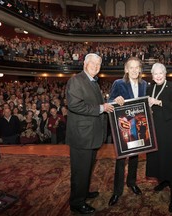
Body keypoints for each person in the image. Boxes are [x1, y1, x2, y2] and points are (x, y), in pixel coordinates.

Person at [66, 53, 114, 214]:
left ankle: (83, 193)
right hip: (82, 136)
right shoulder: (76, 80)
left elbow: (95, 104)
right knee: (80, 170)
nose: (95, 66)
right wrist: (101, 108)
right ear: (85, 64)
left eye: (98, 64)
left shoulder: (93, 82)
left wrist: (108, 105)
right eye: (92, 63)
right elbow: (75, 105)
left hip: (90, 135)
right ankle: (77, 202)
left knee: (86, 168)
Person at [108, 56, 147, 206]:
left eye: (137, 67)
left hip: (137, 128)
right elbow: (110, 102)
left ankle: (132, 183)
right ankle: (117, 192)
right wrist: (115, 100)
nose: (135, 70)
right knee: (120, 160)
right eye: (132, 67)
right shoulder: (118, 83)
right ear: (126, 69)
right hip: (123, 128)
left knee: (135, 158)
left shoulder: (144, 84)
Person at [146, 63, 172, 213]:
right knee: (158, 158)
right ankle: (163, 181)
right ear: (152, 76)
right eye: (155, 74)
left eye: (161, 73)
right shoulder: (150, 88)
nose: (158, 76)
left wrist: (158, 102)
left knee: (170, 159)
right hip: (155, 130)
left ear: (165, 73)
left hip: (170, 132)